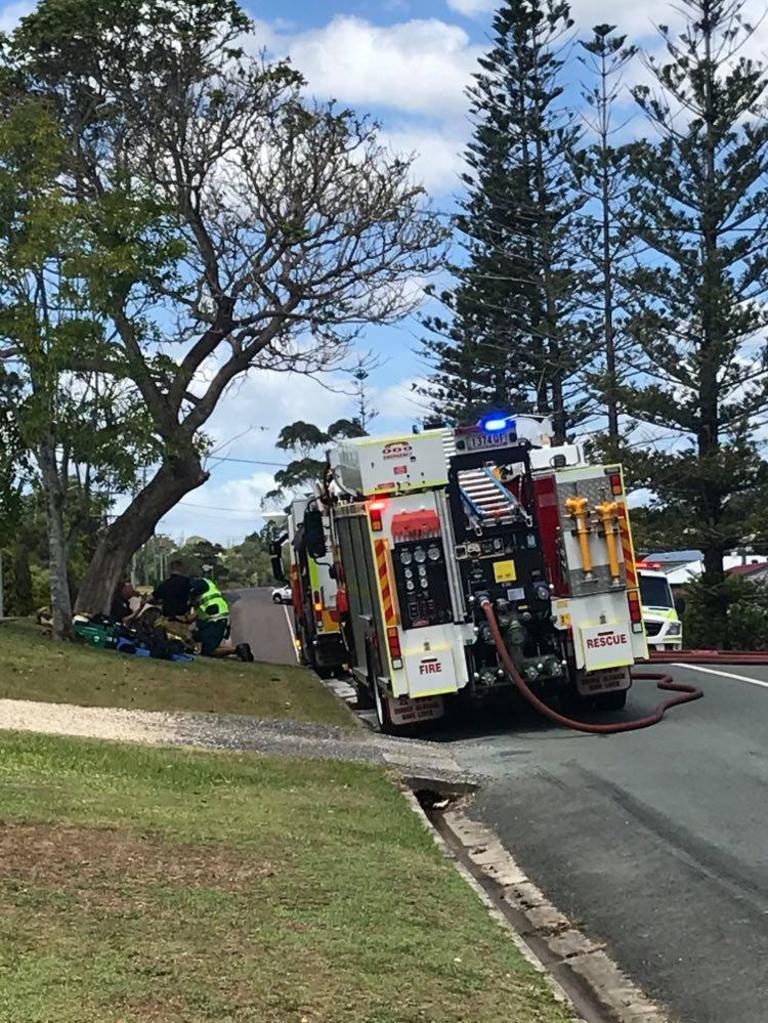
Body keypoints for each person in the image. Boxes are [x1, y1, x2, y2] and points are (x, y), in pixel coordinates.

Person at [188, 577, 254, 662]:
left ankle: (238, 649)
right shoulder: (206, 590)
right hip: (214, 618)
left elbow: (193, 594)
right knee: (195, 637)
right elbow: (198, 613)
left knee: (209, 651)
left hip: (215, 620)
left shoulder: (199, 584)